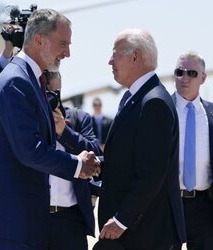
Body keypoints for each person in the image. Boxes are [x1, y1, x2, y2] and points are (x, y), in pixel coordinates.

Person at [0, 9, 100, 250]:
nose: (67, 53)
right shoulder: (17, 81)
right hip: (5, 223)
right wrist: (78, 165)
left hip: (16, 221)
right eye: (63, 44)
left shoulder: (29, 79)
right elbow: (29, 149)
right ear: (39, 40)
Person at [93, 28, 186, 250]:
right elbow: (129, 160)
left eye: (115, 53)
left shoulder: (153, 102)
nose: (110, 61)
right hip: (135, 234)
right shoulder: (137, 98)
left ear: (135, 56)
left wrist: (121, 220)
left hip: (146, 235)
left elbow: (152, 173)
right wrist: (97, 166)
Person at [45, 70, 102, 250]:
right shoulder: (28, 122)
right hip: (34, 218)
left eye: (53, 94)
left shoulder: (78, 118)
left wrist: (64, 131)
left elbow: (95, 155)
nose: (49, 99)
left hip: (70, 219)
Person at [172, 51, 213, 250]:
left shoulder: (211, 115)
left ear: (203, 78)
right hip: (168, 205)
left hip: (204, 206)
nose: (184, 78)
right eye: (180, 72)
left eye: (192, 73)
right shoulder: (161, 110)